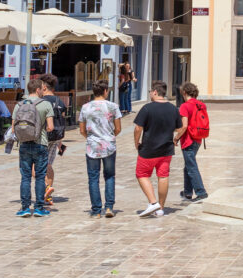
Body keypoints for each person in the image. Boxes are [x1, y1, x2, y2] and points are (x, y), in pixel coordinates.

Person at [132, 81, 185, 218]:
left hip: (149, 149)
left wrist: (136, 142)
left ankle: (153, 202)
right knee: (163, 176)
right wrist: (175, 138)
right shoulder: (173, 109)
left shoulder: (147, 108)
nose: (150, 93)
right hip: (166, 150)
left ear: (155, 92)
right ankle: (160, 208)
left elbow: (138, 128)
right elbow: (180, 128)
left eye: (150, 91)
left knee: (142, 174)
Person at [10, 78, 56, 218]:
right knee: (40, 177)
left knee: (25, 177)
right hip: (40, 143)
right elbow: (50, 127)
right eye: (42, 88)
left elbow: (13, 128)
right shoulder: (46, 104)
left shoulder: (19, 105)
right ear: (37, 89)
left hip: (24, 144)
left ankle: (24, 207)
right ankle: (39, 207)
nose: (44, 91)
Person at [78, 80, 122, 217]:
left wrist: (91, 137)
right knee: (109, 176)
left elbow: (82, 129)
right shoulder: (113, 106)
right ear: (105, 91)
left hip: (92, 146)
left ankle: (96, 210)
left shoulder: (85, 107)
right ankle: (109, 207)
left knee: (93, 177)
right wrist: (109, 136)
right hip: (109, 145)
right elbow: (118, 128)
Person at [177, 82, 209, 203]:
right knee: (188, 166)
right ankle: (188, 192)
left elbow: (184, 126)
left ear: (184, 93)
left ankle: (201, 192)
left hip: (188, 139)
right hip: (199, 138)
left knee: (191, 167)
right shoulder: (201, 105)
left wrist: (176, 138)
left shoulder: (185, 106)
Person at [38, 74, 67, 208]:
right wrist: (60, 140)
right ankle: (47, 196)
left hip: (43, 136)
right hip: (56, 137)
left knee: (35, 165)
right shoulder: (59, 101)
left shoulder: (41, 101)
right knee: (48, 164)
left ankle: (45, 188)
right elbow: (62, 120)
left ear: (43, 87)